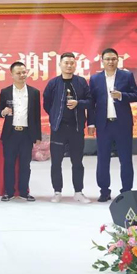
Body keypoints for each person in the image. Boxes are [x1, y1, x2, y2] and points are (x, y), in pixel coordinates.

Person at [88, 48, 137, 202]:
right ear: (102, 61)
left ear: (118, 60)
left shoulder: (127, 76)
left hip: (122, 124)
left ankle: (127, 191)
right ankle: (104, 191)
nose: (110, 62)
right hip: (103, 125)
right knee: (103, 159)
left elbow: (136, 95)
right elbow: (91, 103)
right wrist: (91, 123)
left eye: (113, 59)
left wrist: (122, 95)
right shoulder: (95, 79)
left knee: (126, 159)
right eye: (107, 59)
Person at [43, 52, 91, 204]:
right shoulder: (53, 83)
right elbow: (47, 103)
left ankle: (78, 192)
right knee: (56, 162)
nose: (69, 66)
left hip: (76, 128)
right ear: (60, 65)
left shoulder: (81, 82)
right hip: (58, 128)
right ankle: (57, 192)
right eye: (66, 63)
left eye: (72, 63)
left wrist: (78, 103)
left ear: (75, 65)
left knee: (77, 162)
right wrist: (55, 116)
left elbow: (90, 101)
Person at [0, 61, 42, 202]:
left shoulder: (34, 92)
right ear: (12, 75)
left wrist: (37, 136)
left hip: (27, 134)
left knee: (25, 164)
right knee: (9, 163)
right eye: (18, 73)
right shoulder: (5, 92)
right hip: (10, 133)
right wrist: (3, 112)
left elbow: (37, 116)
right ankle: (8, 192)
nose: (22, 75)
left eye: (24, 72)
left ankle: (24, 191)